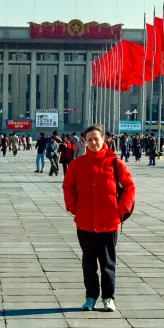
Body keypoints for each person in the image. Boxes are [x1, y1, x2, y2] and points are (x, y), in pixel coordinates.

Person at [62, 124, 135, 312]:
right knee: (88, 263)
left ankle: (108, 297)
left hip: (108, 222)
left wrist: (121, 209)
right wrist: (72, 207)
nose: (93, 143)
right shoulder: (77, 164)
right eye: (89, 140)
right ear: (84, 142)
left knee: (107, 263)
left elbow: (129, 187)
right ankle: (90, 297)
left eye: (96, 139)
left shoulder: (114, 163)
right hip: (85, 222)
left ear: (104, 139)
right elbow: (68, 186)